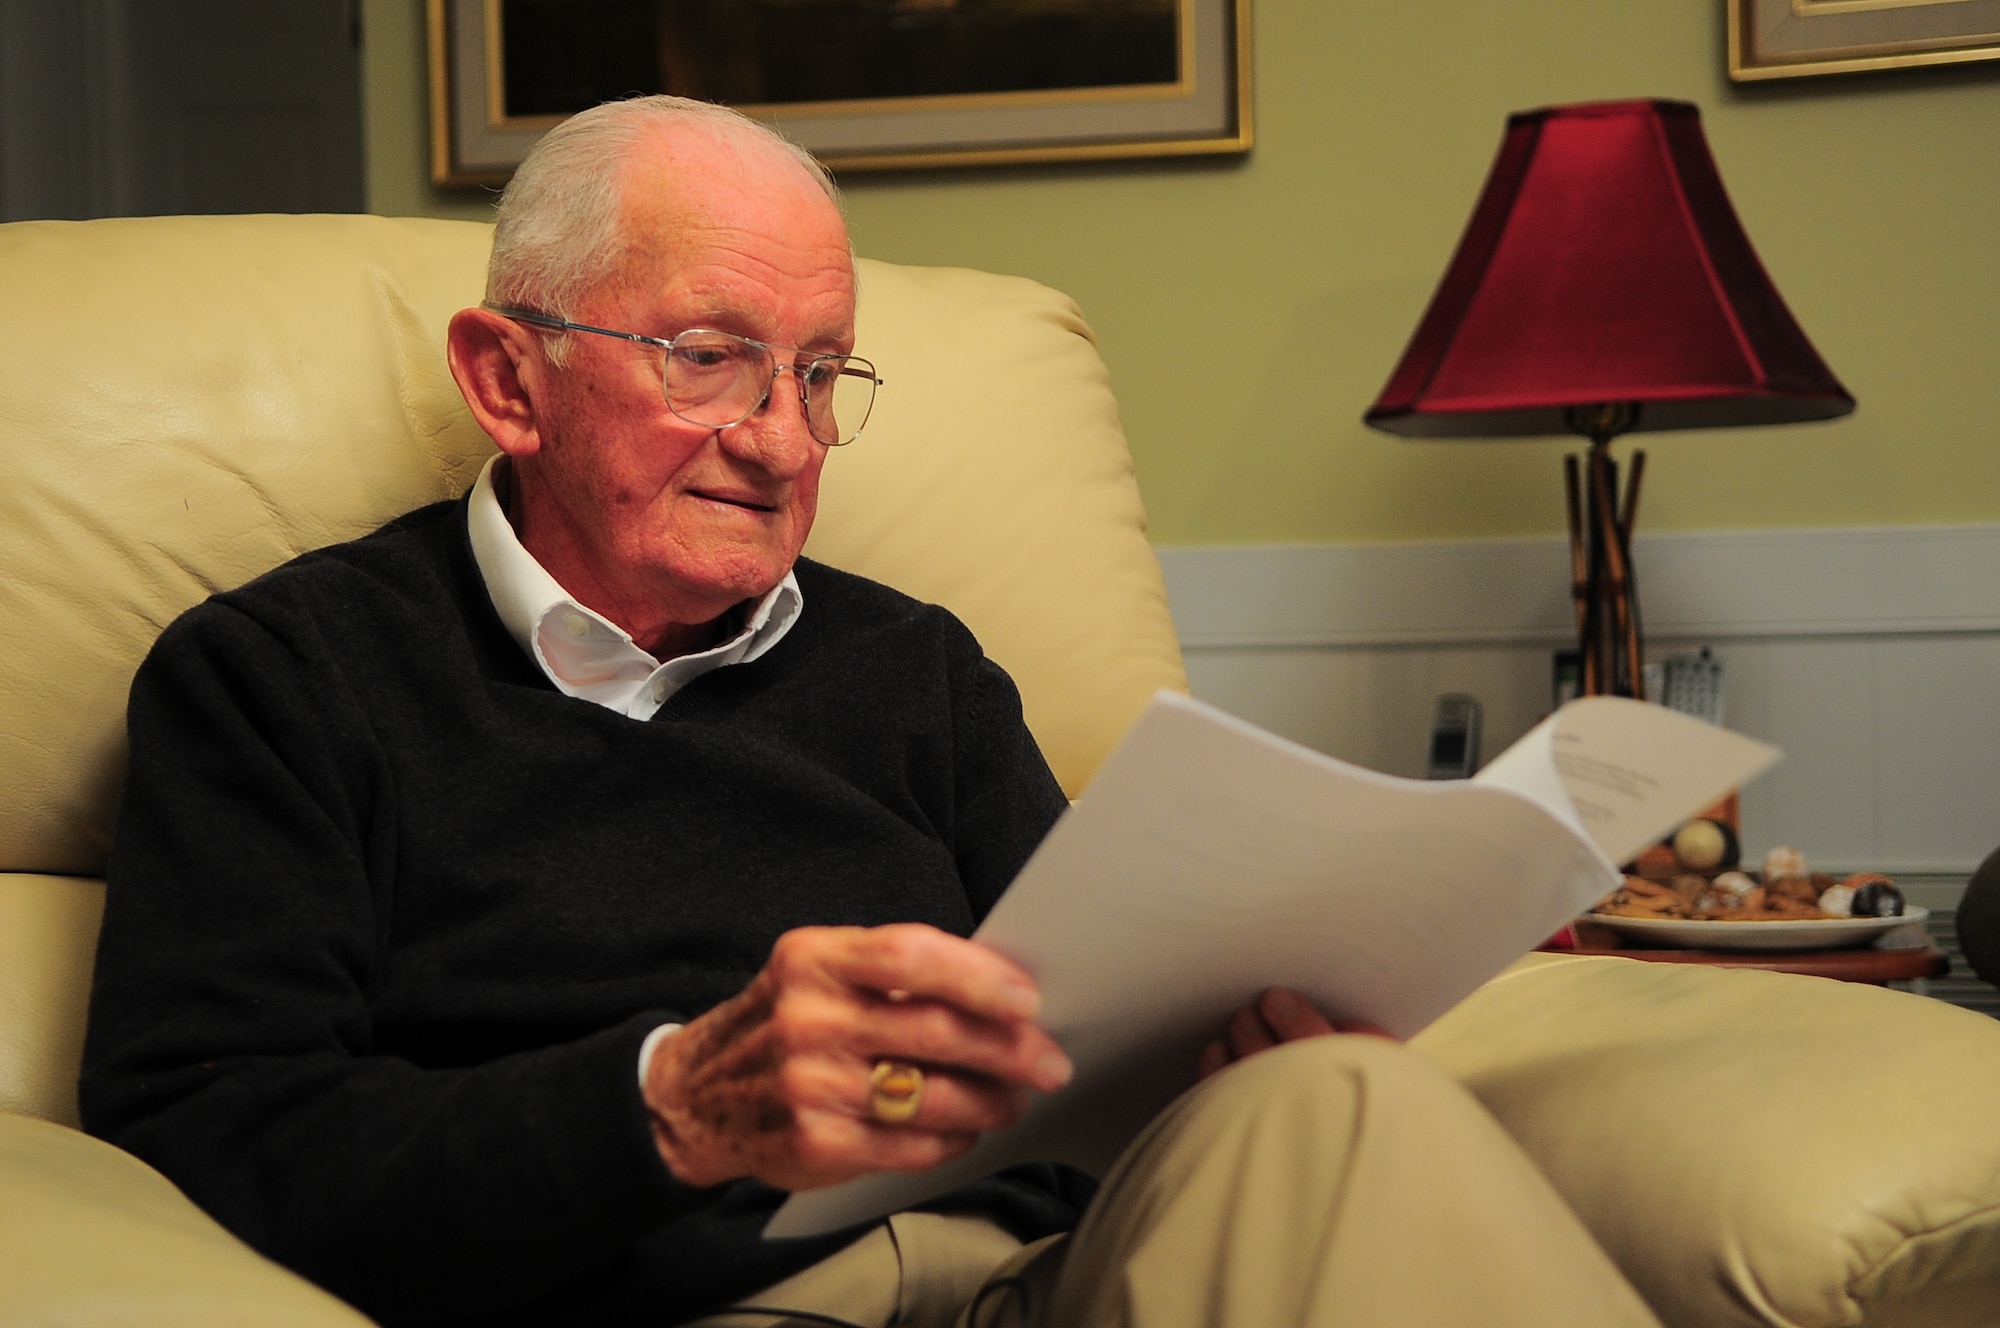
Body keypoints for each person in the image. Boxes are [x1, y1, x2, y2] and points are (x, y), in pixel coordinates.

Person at [80, 96, 1662, 1328]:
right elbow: (223, 1137)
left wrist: (1227, 1052)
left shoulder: (917, 672)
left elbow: (1088, 1023)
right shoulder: (279, 680)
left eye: (822, 372)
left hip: (1031, 1290)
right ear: (509, 381)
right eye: (709, 360)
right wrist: (675, 1108)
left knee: (1339, 1098)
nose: (781, 441)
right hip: (684, 1304)